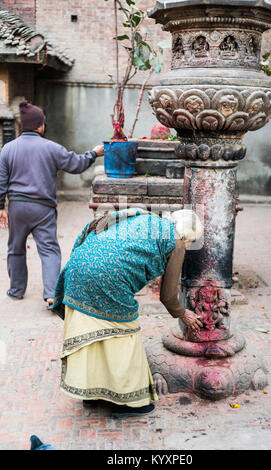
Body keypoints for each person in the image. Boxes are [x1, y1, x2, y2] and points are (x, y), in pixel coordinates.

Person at [51, 208, 203, 419]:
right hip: (106, 277)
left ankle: (92, 394)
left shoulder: (147, 218)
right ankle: (128, 403)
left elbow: (103, 222)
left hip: (78, 266)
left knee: (94, 330)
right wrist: (182, 313)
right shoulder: (176, 242)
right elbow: (168, 296)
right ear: (187, 236)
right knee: (125, 335)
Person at [0, 100, 104, 307]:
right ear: (39, 125)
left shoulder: (8, 149)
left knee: (15, 248)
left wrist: (1, 207)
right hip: (43, 209)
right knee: (49, 250)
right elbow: (77, 165)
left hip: (17, 208)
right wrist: (94, 153)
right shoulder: (52, 148)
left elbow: (1, 180)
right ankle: (50, 294)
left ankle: (16, 290)